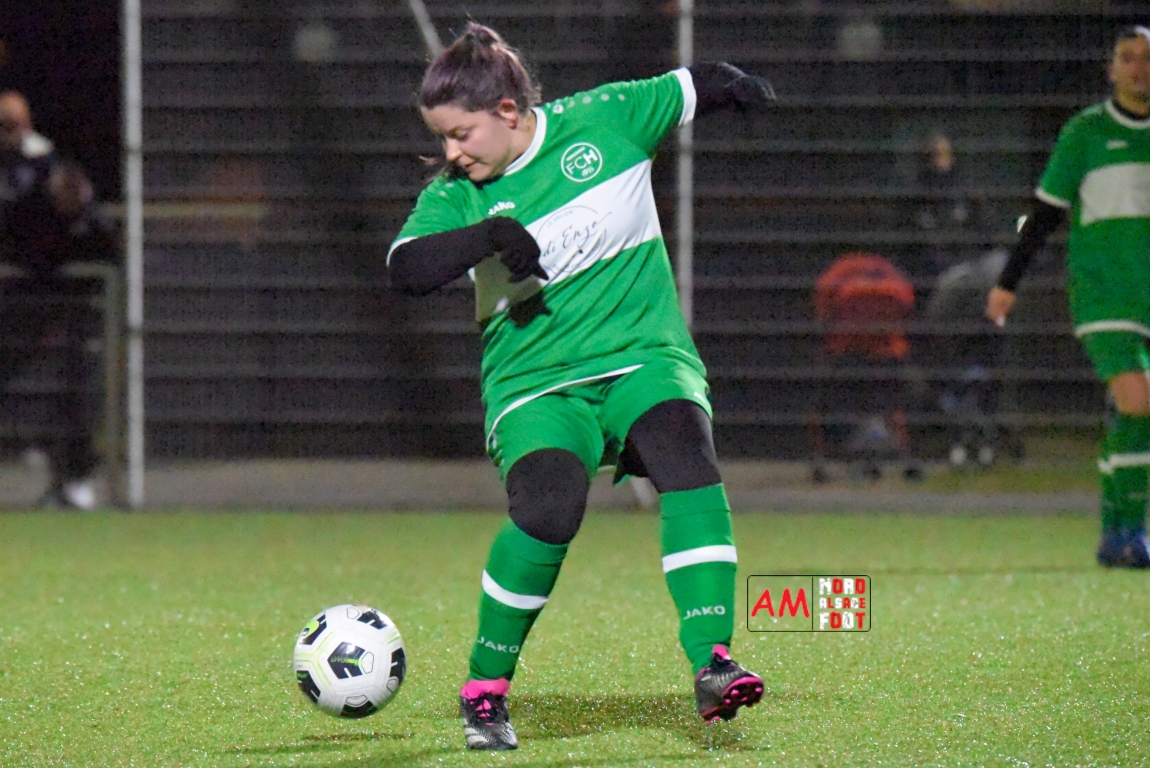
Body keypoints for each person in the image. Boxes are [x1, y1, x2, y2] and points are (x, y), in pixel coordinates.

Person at [387, 23, 774, 750]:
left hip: (642, 358)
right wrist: (491, 234)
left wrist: (740, 88)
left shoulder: (606, 119)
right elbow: (407, 270)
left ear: (507, 110)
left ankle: (714, 661)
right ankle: (484, 689)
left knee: (686, 454)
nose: (452, 152)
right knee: (549, 508)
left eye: (461, 133)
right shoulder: (457, 195)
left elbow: (698, 83)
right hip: (536, 385)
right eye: (442, 137)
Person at [986, 25, 1150, 568]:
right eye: (1128, 57)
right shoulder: (1085, 132)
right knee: (1138, 401)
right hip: (1106, 295)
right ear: (1112, 69)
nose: (1139, 67)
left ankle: (1116, 533)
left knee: (1134, 412)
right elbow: (1045, 213)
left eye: (1147, 58)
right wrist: (1008, 282)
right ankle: (1130, 531)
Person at [0, 92, 115, 509]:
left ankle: (74, 480)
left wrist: (72, 208)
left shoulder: (50, 165)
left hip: (61, 300)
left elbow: (97, 233)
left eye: (13, 124)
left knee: (73, 390)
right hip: (15, 299)